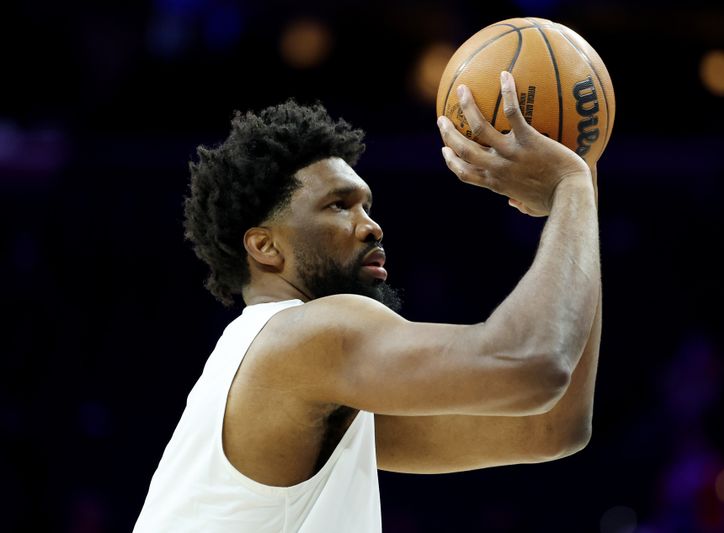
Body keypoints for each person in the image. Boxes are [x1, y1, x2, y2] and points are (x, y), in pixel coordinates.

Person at [133, 71, 602, 532]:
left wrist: (582, 184)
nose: (372, 226)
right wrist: (570, 186)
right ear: (265, 247)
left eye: (367, 206)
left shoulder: (290, 377)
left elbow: (551, 429)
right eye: (339, 205)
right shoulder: (308, 335)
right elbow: (531, 364)